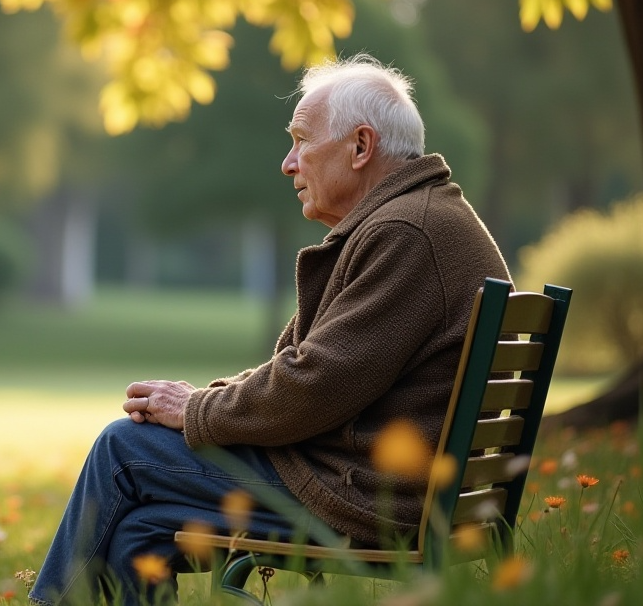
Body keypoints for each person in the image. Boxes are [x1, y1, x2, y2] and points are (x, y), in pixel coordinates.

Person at [27, 53, 511, 606]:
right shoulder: (418, 219)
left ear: (360, 147)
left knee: (124, 447)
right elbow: (312, 371)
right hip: (387, 485)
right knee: (143, 528)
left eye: (302, 141)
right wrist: (204, 401)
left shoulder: (406, 232)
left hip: (369, 497)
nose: (288, 163)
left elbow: (314, 386)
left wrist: (196, 410)